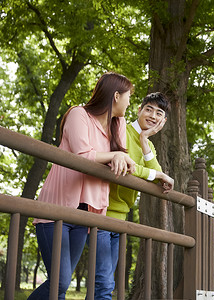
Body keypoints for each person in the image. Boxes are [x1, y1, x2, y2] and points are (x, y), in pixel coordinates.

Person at [28, 72, 136, 300]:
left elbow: (121, 161)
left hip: (86, 213)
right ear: (116, 96)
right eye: (129, 96)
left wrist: (121, 158)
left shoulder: (119, 125)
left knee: (60, 286)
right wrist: (115, 155)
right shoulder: (79, 114)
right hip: (56, 208)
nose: (129, 102)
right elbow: (82, 155)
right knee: (60, 282)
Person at [93, 92, 174, 299]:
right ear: (138, 110)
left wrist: (145, 140)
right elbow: (127, 166)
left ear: (163, 121)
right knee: (103, 283)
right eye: (148, 109)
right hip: (100, 212)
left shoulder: (149, 144)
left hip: (121, 219)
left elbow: (158, 178)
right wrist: (154, 173)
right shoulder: (120, 129)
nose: (152, 116)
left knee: (104, 282)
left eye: (159, 113)